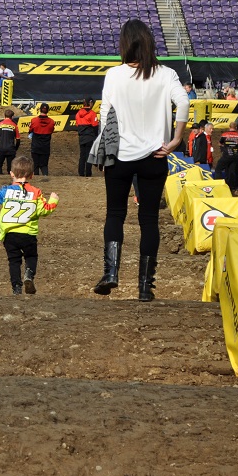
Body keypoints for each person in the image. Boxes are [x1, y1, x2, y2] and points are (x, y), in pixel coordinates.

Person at [88, 18, 189, 302]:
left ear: (124, 44)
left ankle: (111, 273)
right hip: (154, 155)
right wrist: (175, 141)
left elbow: (105, 116)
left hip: (119, 155)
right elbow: (183, 102)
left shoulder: (114, 75)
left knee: (115, 214)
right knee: (148, 219)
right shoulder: (166, 74)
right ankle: (145, 287)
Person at [0, 156, 59, 295]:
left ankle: (16, 288)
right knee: (31, 256)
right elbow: (45, 210)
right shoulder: (36, 192)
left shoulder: (5, 191)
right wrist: (54, 199)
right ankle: (29, 275)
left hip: (9, 234)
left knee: (13, 261)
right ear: (32, 175)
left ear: (11, 173)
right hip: (28, 233)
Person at [215, 122, 238, 195]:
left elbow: (220, 143)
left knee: (218, 169)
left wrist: (223, 149)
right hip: (236, 157)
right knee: (233, 172)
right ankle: (233, 188)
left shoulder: (224, 135)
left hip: (226, 156)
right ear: (236, 128)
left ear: (229, 127)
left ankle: (218, 185)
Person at [27, 103, 55, 177]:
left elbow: (30, 130)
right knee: (44, 165)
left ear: (40, 110)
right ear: (48, 111)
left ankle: (36, 179)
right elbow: (51, 130)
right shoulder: (52, 122)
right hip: (45, 146)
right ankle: (45, 177)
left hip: (35, 146)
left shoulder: (34, 120)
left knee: (35, 165)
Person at [75, 98, 99, 177]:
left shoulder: (78, 113)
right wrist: (95, 135)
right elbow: (95, 126)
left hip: (81, 136)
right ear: (90, 103)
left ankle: (81, 172)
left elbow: (77, 125)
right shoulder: (92, 113)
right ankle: (88, 172)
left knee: (82, 155)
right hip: (89, 136)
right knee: (89, 155)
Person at [0, 109, 20, 175]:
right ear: (12, 117)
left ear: (4, 116)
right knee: (10, 167)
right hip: (11, 148)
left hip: (1, 148)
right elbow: (18, 139)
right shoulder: (14, 125)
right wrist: (15, 148)